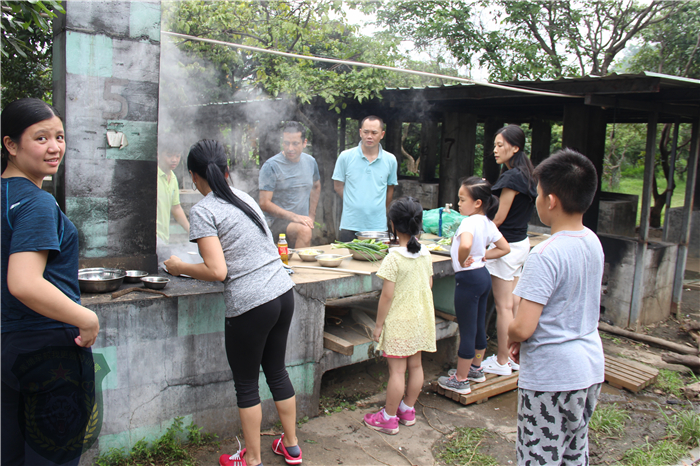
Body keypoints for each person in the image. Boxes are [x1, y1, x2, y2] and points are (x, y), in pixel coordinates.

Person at [164, 140, 301, 466]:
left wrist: (179, 267)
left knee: (246, 384)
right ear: (225, 170)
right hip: (283, 293)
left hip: (252, 304)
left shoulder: (203, 209)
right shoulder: (243, 196)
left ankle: (251, 459)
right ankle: (292, 447)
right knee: (277, 371)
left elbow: (217, 270)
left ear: (194, 177)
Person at [2, 98, 100, 466]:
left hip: (8, 349)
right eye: (40, 138)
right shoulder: (36, 203)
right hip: (48, 350)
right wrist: (85, 318)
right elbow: (24, 283)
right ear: (10, 145)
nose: (54, 147)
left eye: (59, 136)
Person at [508, 149, 604, 465]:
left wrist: (512, 332)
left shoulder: (546, 254)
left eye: (538, 194)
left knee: (539, 457)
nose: (536, 200)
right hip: (589, 369)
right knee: (574, 452)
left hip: (552, 378)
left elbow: (523, 327)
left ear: (551, 201)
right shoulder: (593, 241)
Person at [364, 197, 436, 435]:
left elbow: (386, 297)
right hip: (420, 320)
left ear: (393, 225)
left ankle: (388, 417)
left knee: (397, 371)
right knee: (416, 366)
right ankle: (407, 409)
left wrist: (378, 325)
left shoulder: (394, 257)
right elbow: (429, 284)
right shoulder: (425, 253)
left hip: (399, 321)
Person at [437, 177, 510, 395]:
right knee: (478, 324)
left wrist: (463, 258)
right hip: (483, 276)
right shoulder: (487, 222)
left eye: (462, 199)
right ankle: (476, 369)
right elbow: (504, 248)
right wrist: (482, 256)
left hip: (468, 280)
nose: (458, 204)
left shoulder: (468, 222)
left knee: (467, 329)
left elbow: (466, 243)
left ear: (477, 203)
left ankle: (460, 379)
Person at [482, 125, 537, 376]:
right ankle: (514, 357)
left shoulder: (512, 177)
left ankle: (502, 361)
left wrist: (477, 237)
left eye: (500, 145)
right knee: (513, 303)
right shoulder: (528, 174)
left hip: (506, 247)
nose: (495, 150)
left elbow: (500, 218)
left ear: (515, 148)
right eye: (494, 145)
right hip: (521, 244)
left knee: (504, 306)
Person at [333, 116, 398, 242]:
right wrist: (354, 203)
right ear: (360, 132)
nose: (369, 136)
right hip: (350, 224)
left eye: (374, 133)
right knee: (347, 261)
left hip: (378, 226)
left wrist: (377, 208)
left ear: (382, 134)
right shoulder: (345, 157)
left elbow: (390, 189)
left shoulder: (390, 160)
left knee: (377, 261)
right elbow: (338, 186)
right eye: (366, 132)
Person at [259, 121, 321, 248]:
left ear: (304, 143)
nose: (290, 148)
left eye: (295, 144)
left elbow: (316, 186)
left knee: (304, 230)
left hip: (299, 222)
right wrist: (294, 217)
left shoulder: (310, 162)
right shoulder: (271, 166)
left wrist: (311, 216)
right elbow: (264, 203)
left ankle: (298, 267)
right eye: (286, 143)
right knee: (304, 231)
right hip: (276, 222)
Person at [156, 144, 190, 258]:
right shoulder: (152, 175)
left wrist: (191, 231)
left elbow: (176, 208)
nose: (174, 159)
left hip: (164, 237)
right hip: (152, 237)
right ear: (158, 155)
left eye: (177, 156)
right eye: (169, 155)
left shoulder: (173, 177)